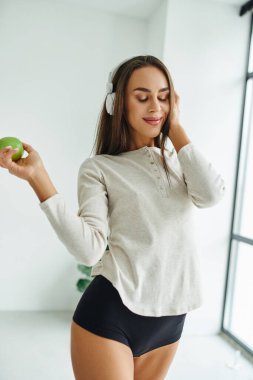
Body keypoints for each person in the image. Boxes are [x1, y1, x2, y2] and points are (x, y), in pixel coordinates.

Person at [0, 55, 225, 380]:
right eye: (142, 96)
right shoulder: (100, 168)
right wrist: (38, 177)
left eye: (163, 96)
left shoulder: (181, 161)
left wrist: (175, 126)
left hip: (172, 319)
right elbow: (89, 249)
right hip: (111, 315)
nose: (155, 106)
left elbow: (212, 194)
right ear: (116, 103)